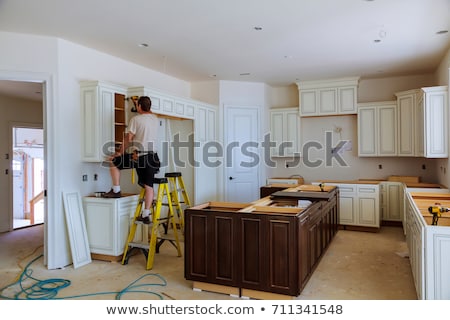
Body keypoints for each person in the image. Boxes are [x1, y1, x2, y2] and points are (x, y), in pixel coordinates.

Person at [103, 96, 160, 225]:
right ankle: (146, 214)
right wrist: (138, 104)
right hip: (153, 157)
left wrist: (119, 153)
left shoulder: (135, 119)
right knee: (149, 186)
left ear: (139, 106)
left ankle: (116, 190)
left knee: (114, 161)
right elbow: (147, 114)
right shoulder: (155, 119)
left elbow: (128, 138)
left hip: (140, 156)